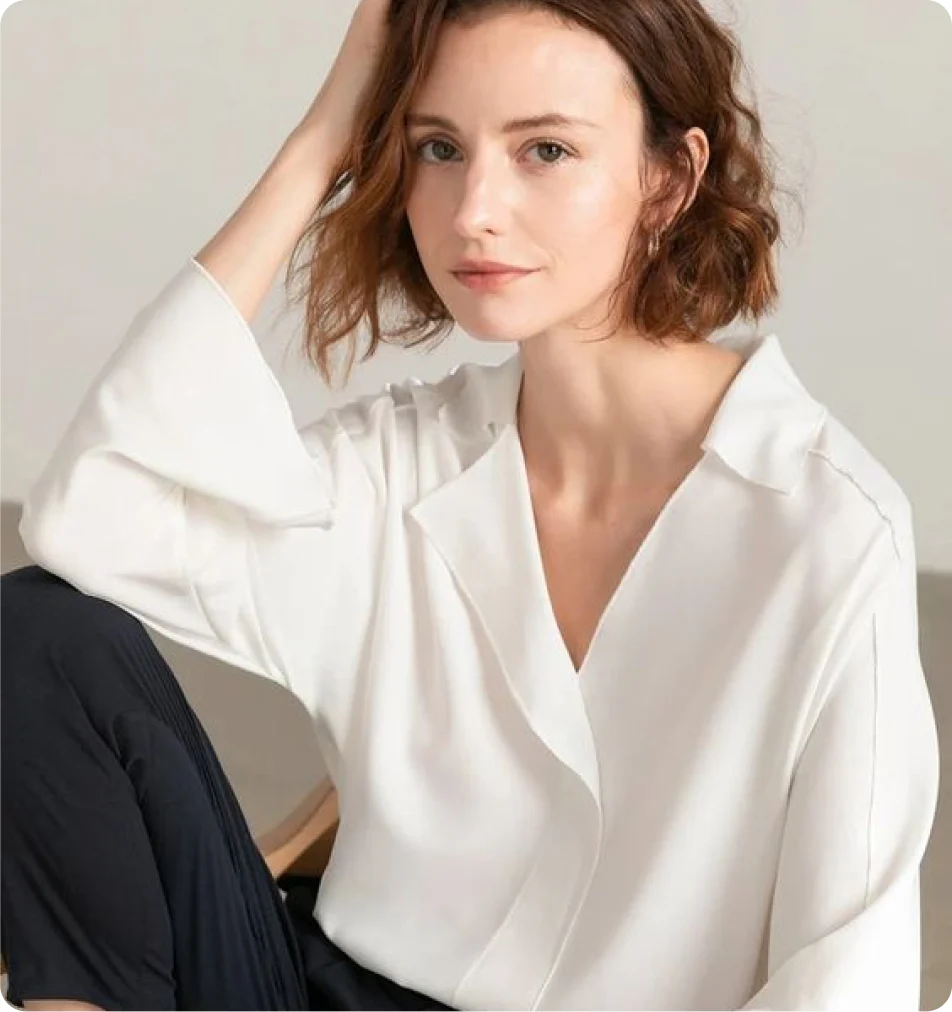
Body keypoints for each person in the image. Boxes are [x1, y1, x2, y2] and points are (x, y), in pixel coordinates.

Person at [1, 0, 941, 1008]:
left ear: (669, 178)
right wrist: (324, 138)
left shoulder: (823, 530)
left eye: (546, 150)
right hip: (306, 991)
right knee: (36, 631)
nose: (473, 209)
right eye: (438, 148)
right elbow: (91, 513)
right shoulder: (400, 464)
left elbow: (847, 973)